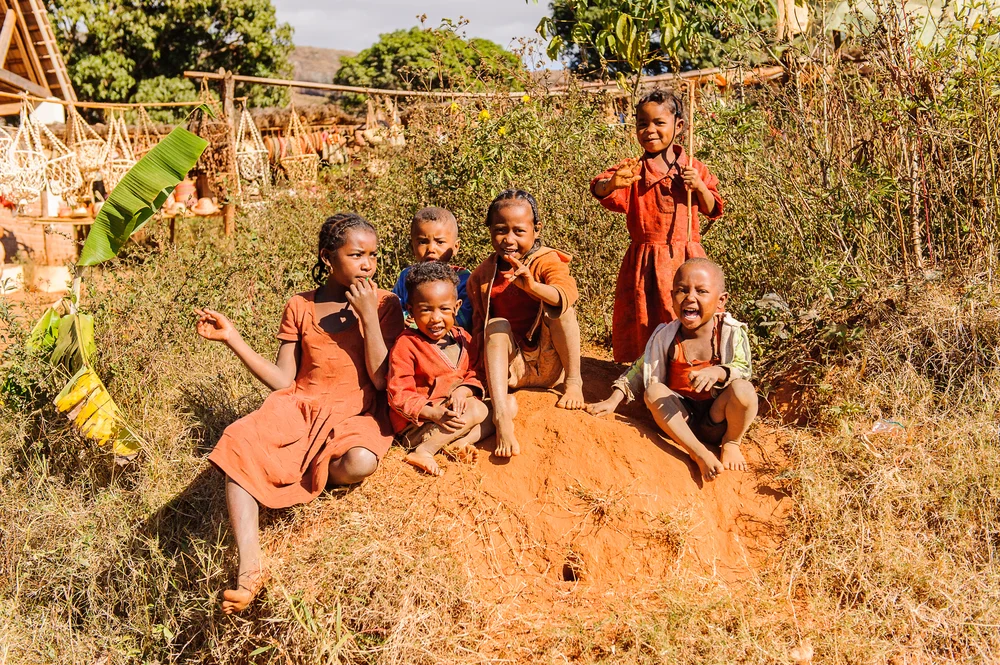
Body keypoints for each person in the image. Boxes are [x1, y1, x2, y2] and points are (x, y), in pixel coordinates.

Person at [195, 213, 404, 614]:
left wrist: (367, 318)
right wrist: (233, 339)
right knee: (240, 440)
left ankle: (314, 473)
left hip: (355, 411)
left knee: (360, 461)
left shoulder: (385, 304)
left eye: (373, 256)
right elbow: (283, 380)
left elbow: (381, 381)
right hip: (302, 404)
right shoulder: (300, 306)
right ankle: (249, 570)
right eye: (356, 254)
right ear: (328, 258)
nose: (367, 264)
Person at [587, 259, 757, 482]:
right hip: (680, 418)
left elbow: (743, 369)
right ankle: (698, 452)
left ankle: (732, 442)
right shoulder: (666, 336)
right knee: (654, 392)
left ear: (721, 301)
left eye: (702, 291)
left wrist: (717, 373)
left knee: (743, 390)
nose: (690, 297)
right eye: (682, 291)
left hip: (718, 417)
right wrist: (613, 399)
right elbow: (641, 368)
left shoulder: (731, 333)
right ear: (672, 297)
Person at [590, 88, 725, 363]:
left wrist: (698, 186)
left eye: (659, 123)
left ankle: (689, 370)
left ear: (679, 126)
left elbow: (713, 208)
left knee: (688, 314)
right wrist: (614, 183)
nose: (649, 130)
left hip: (686, 258)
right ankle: (646, 374)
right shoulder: (632, 169)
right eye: (642, 123)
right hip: (645, 261)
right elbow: (600, 188)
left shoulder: (693, 168)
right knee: (646, 318)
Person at [467, 189, 585, 458]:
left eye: (519, 231)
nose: (509, 239)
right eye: (500, 230)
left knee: (562, 310)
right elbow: (477, 326)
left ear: (536, 228)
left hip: (548, 362)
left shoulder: (545, 260)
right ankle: (500, 416)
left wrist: (533, 286)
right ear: (489, 230)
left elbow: (566, 293)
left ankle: (574, 382)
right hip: (511, 370)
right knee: (495, 326)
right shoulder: (483, 274)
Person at [387, 261, 493, 476]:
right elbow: (399, 393)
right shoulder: (407, 345)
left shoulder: (463, 337)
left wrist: (464, 390)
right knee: (477, 409)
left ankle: (459, 443)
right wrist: (432, 412)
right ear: (411, 311)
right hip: (420, 425)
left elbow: (476, 372)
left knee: (505, 407)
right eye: (425, 310)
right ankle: (424, 451)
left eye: (444, 309)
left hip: (454, 414)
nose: (436, 318)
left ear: (457, 307)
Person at [392, 206, 473, 331]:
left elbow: (466, 319)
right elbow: (394, 306)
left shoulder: (463, 278)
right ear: (412, 246)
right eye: (423, 242)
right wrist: (404, 319)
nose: (431, 249)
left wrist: (423, 322)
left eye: (439, 242)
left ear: (455, 246)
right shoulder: (406, 276)